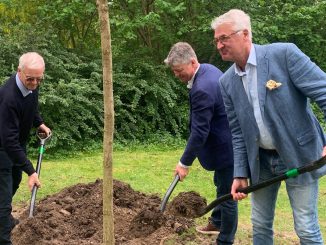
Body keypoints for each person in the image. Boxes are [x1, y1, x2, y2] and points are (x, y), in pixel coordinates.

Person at [211, 9, 326, 245]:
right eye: (216, 40)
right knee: (260, 225)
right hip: (261, 162)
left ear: (245, 34)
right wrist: (240, 172)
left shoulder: (284, 55)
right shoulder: (226, 81)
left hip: (299, 156)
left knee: (305, 227)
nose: (219, 45)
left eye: (224, 38)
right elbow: (237, 132)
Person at [164, 42, 238, 245]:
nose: (177, 75)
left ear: (193, 62)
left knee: (228, 195)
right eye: (174, 71)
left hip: (227, 148)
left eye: (179, 70)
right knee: (222, 185)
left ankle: (225, 240)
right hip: (226, 142)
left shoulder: (202, 89)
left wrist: (184, 163)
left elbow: (199, 132)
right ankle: (216, 222)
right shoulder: (208, 70)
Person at [0, 52, 51, 245]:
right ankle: (4, 238)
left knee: (13, 182)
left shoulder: (32, 85)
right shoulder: (9, 98)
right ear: (19, 71)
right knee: (3, 203)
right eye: (31, 79)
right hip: (3, 149)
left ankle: (3, 218)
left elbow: (32, 106)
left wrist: (39, 123)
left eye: (39, 79)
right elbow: (8, 141)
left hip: (15, 147)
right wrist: (31, 171)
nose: (35, 83)